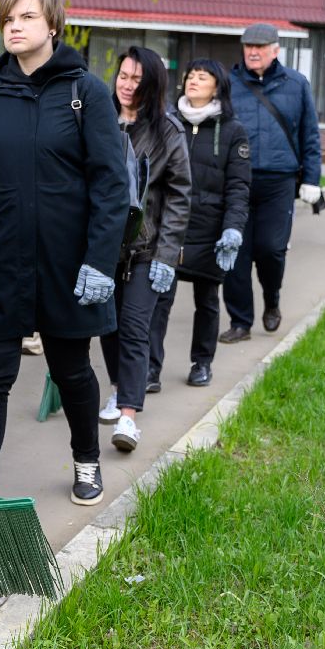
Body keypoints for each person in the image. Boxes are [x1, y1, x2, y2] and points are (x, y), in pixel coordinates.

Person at [0, 0, 129, 507]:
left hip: (67, 264)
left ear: (52, 26)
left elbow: (111, 183)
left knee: (72, 370)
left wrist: (100, 260)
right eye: (8, 19)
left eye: (27, 17)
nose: (14, 26)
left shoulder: (88, 92)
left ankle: (87, 460)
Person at [97, 47, 192, 451]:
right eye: (123, 75)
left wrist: (168, 255)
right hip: (103, 248)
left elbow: (180, 195)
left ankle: (129, 417)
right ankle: (119, 387)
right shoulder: (98, 120)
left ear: (151, 84)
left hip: (147, 249)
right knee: (107, 325)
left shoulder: (167, 131)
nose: (126, 84)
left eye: (136, 79)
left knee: (135, 326)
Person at [221, 23, 321, 342]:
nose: (252, 51)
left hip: (279, 181)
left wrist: (313, 179)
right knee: (235, 252)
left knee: (271, 249)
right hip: (237, 179)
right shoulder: (228, 83)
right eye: (248, 46)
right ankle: (240, 322)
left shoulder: (297, 84)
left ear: (275, 51)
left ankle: (272, 300)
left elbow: (310, 135)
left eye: (260, 47)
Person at [153, 59, 251, 387]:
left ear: (217, 86)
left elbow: (239, 187)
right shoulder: (167, 122)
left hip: (210, 229)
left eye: (203, 76)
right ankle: (150, 368)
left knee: (207, 300)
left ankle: (202, 363)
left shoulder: (233, 131)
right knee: (158, 299)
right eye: (191, 75)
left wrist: (232, 228)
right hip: (169, 226)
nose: (194, 80)